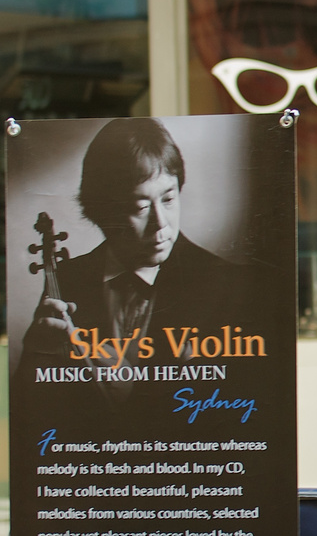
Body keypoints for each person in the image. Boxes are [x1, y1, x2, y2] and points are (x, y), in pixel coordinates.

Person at [19, 118, 244, 395]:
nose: (160, 223)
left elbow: (240, 408)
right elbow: (33, 410)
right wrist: (35, 353)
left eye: (169, 199)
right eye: (140, 207)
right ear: (103, 212)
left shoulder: (230, 284)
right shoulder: (68, 281)